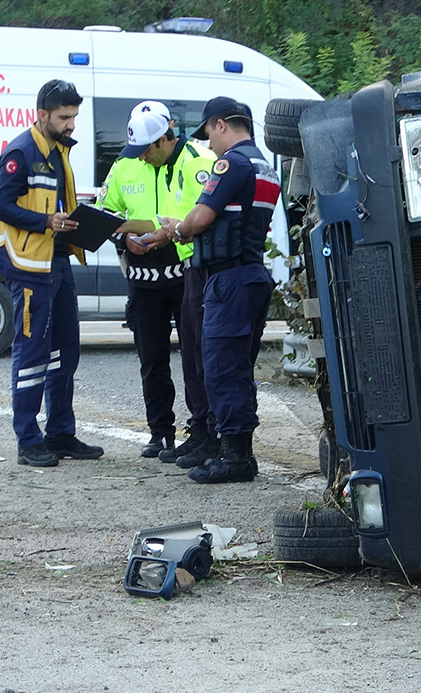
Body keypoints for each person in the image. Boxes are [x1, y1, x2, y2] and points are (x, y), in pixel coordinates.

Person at [145, 96, 278, 484]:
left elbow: (201, 218)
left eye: (208, 133)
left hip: (229, 278)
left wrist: (177, 229)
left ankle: (235, 456)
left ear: (221, 124)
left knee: (222, 367)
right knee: (238, 365)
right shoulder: (264, 165)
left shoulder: (231, 163)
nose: (208, 144)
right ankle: (237, 451)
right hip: (252, 273)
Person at [0, 79, 104, 467]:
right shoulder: (21, 151)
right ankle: (28, 440)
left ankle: (60, 433)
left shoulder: (58, 150)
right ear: (42, 115)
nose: (71, 125)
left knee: (65, 351)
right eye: (64, 117)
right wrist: (46, 221)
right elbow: (1, 206)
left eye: (74, 117)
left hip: (58, 260)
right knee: (32, 353)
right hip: (28, 265)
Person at [99, 104, 216, 459]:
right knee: (151, 359)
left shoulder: (198, 159)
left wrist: (173, 233)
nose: (143, 158)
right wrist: (122, 239)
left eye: (147, 150)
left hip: (185, 274)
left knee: (196, 358)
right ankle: (159, 432)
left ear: (166, 136)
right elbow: (103, 209)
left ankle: (202, 430)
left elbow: (206, 213)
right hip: (142, 277)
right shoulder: (125, 164)